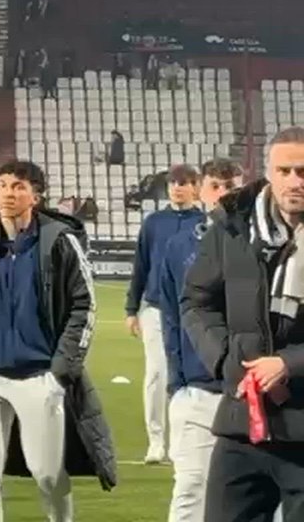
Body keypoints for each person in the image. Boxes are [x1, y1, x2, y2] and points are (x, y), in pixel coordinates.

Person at [0, 160, 116, 521]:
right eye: (3, 184)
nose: (9, 192)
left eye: (19, 186)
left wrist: (59, 373)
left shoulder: (59, 242)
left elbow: (84, 306)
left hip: (40, 377)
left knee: (48, 475)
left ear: (35, 196)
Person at [184, 127, 304, 521]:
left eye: (303, 172)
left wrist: (289, 363)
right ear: (268, 172)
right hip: (243, 422)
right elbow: (197, 301)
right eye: (284, 171)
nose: (294, 182)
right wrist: (225, 360)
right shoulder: (231, 227)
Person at [157, 159, 245, 521]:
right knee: (190, 487)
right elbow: (171, 317)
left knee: (254, 494)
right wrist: (178, 382)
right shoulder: (179, 246)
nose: (223, 195)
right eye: (215, 186)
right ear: (202, 191)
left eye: (231, 187)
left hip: (249, 393)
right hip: (196, 391)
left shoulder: (266, 244)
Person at [126, 164, 203, 465]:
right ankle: (156, 441)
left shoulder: (205, 223)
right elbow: (141, 266)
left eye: (183, 183)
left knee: (188, 376)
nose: (177, 188)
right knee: (157, 374)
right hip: (157, 308)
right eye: (173, 183)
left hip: (194, 310)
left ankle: (180, 440)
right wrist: (132, 308)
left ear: (195, 187)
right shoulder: (153, 222)